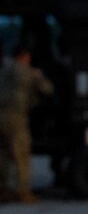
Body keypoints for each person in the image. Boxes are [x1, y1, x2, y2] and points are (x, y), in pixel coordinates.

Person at [0, 43, 53, 203]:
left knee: (2, 154)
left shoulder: (3, 70)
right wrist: (39, 76)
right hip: (16, 117)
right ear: (24, 56)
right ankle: (23, 192)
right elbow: (47, 89)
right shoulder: (28, 72)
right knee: (21, 155)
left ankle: (2, 189)